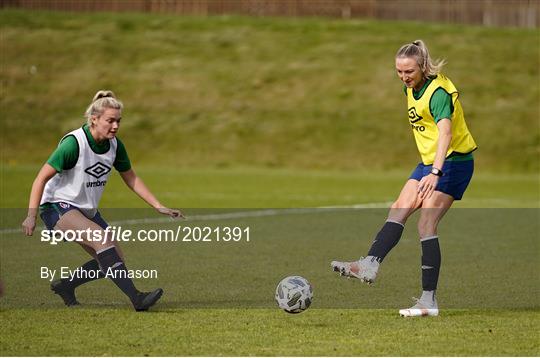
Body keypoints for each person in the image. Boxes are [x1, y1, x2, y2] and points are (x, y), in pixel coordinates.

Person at [331, 40, 477, 317]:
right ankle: (369, 264)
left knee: (426, 224)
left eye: (409, 71)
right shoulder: (411, 87)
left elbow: (445, 133)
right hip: (428, 162)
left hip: (453, 162)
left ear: (422, 66)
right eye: (399, 72)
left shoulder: (438, 93)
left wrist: (436, 172)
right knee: (398, 207)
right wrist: (430, 166)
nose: (404, 77)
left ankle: (428, 301)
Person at [22, 90, 182, 311]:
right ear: (94, 119)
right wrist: (31, 216)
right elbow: (40, 178)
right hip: (57, 206)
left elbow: (131, 177)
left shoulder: (115, 145)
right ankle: (137, 299)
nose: (115, 126)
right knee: (102, 242)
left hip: (85, 210)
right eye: (110, 120)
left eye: (118, 121)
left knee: (113, 258)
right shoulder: (74, 143)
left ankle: (66, 286)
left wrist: (158, 205)